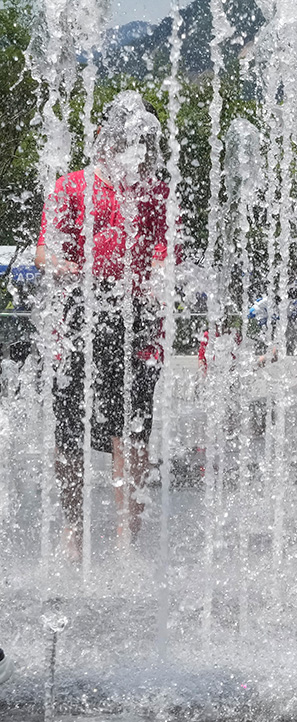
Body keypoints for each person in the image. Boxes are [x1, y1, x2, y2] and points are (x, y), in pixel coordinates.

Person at [36, 91, 172, 555]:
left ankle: (125, 536)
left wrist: (158, 281)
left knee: (131, 431)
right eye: (123, 142)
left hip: (135, 318)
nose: (133, 152)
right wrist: (67, 267)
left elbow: (162, 254)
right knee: (69, 428)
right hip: (80, 314)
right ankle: (73, 528)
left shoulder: (153, 193)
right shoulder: (70, 187)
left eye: (141, 143)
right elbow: (44, 252)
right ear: (102, 139)